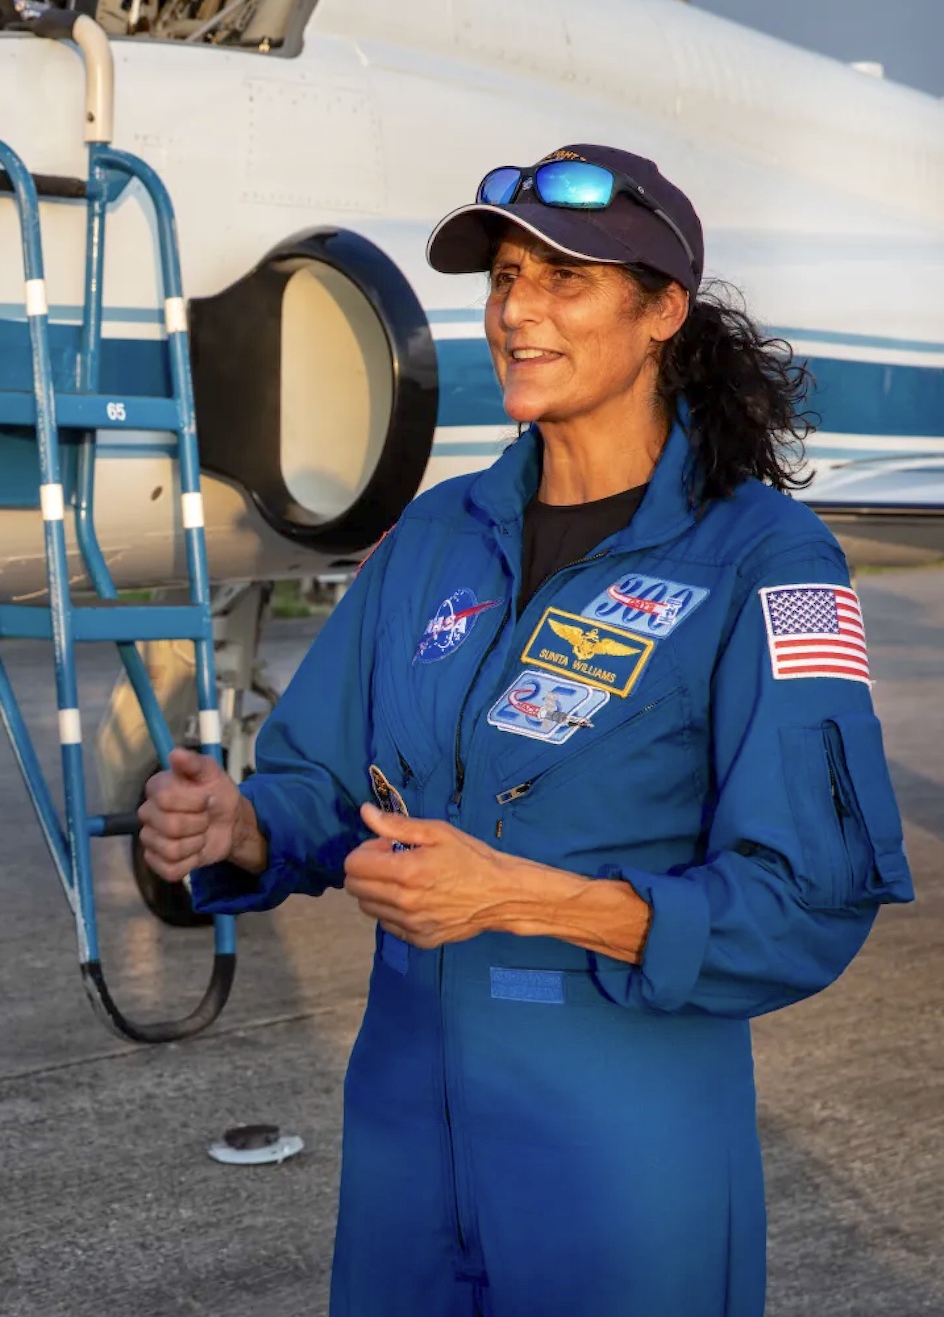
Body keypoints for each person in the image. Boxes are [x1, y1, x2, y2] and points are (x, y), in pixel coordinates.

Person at [139, 144, 914, 1316]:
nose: (515, 312)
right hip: (407, 1131)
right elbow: (321, 779)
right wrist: (237, 826)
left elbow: (804, 899)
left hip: (614, 1140)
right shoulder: (434, 535)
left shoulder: (767, 561)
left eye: (564, 281)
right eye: (505, 277)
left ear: (660, 312)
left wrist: (517, 897)